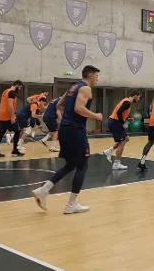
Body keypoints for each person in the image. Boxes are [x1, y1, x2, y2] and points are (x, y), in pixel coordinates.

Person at [32, 65, 102, 214]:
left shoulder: (72, 87)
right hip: (75, 131)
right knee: (82, 166)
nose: (97, 79)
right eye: (96, 76)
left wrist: (65, 120)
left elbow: (59, 104)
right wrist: (96, 116)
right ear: (90, 76)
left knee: (71, 165)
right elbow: (78, 108)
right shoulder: (85, 88)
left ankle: (43, 190)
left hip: (65, 129)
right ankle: (71, 204)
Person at [103, 90, 142, 170]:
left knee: (126, 139)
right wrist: (123, 123)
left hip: (115, 122)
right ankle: (116, 163)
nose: (138, 99)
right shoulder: (127, 103)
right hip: (115, 122)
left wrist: (127, 118)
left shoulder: (126, 101)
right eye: (138, 97)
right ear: (135, 95)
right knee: (122, 141)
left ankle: (109, 151)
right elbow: (119, 113)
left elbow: (121, 113)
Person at [0, 80, 24, 158]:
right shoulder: (12, 92)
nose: (19, 89)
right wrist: (13, 116)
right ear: (17, 85)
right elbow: (10, 105)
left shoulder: (6, 91)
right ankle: (15, 151)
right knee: (18, 131)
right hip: (8, 116)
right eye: (19, 87)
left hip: (2, 115)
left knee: (1, 133)